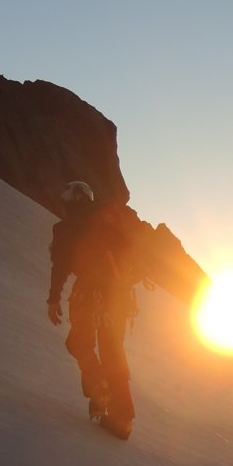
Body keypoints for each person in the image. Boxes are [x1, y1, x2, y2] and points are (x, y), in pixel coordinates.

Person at [46, 180, 140, 440]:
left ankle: (99, 386)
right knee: (112, 350)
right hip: (119, 298)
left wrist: (53, 299)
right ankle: (122, 418)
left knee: (78, 342)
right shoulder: (108, 223)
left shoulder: (65, 229)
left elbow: (60, 266)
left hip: (89, 294)